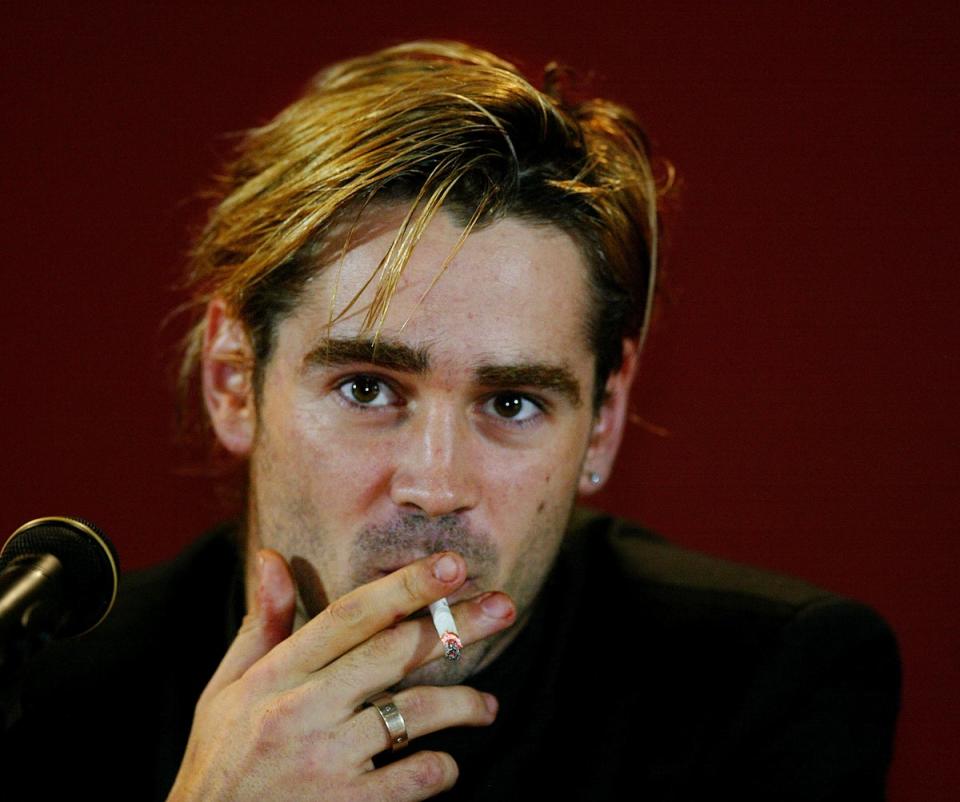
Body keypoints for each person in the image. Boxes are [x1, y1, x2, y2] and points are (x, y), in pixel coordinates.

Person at [2, 41, 899, 800]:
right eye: (367, 389)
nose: (434, 486)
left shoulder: (761, 684)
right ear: (235, 381)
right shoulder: (43, 693)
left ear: (605, 420)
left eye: (511, 404)